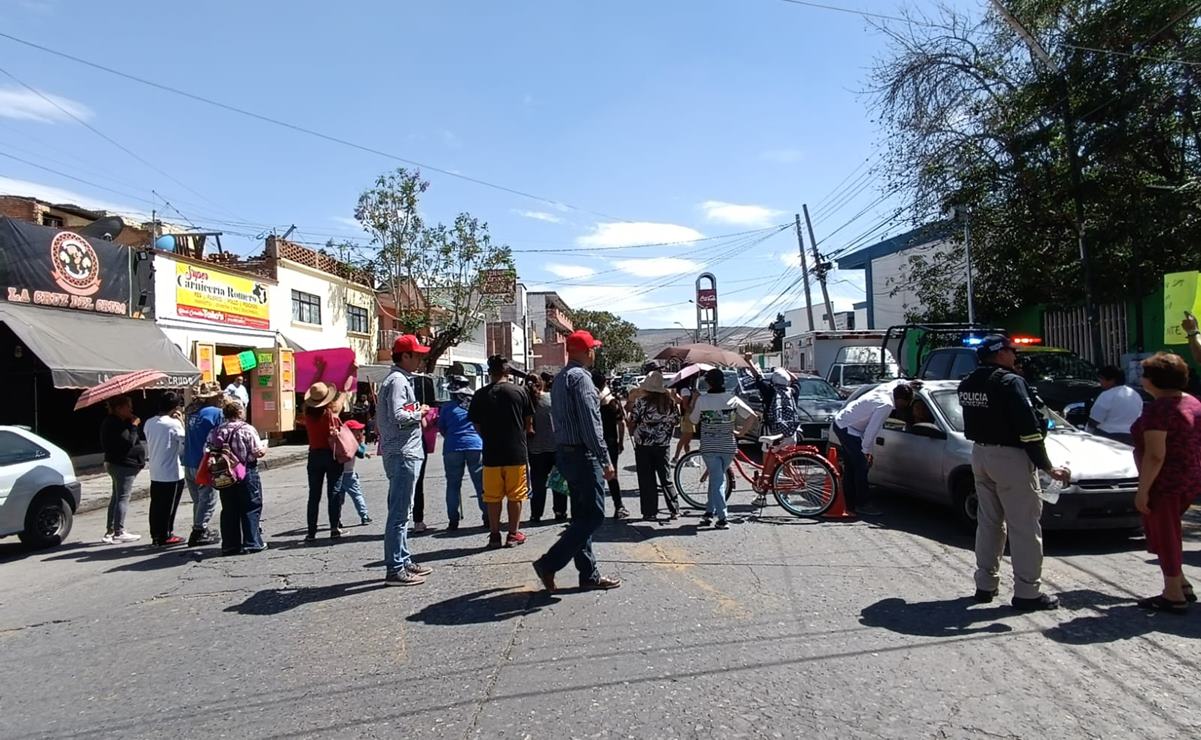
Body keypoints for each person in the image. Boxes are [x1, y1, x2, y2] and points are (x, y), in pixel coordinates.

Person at [958, 335, 1071, 612]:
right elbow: (1030, 430)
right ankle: (1027, 592)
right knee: (1024, 527)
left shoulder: (968, 381)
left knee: (989, 522)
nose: (1015, 355)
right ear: (999, 353)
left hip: (981, 455)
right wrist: (1046, 466)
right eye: (1011, 350)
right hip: (1011, 458)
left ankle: (985, 584)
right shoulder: (1010, 382)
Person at [532, 330, 622, 592]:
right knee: (593, 516)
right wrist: (605, 458)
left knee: (581, 517)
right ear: (584, 351)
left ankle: (589, 574)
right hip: (583, 454)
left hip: (566, 452)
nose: (594, 352)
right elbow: (590, 424)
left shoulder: (560, 379)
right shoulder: (581, 379)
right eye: (592, 348)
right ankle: (549, 563)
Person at [1130, 352, 1201, 613]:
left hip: (1165, 482)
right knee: (1169, 532)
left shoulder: (1160, 410)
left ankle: (1173, 594)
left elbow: (1156, 454)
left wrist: (1143, 491)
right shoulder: (1192, 402)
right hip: (1190, 476)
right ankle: (1181, 583)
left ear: (1152, 380)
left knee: (1165, 534)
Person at [378, 335, 433, 586]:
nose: (421, 359)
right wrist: (419, 411)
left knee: (403, 511)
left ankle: (403, 559)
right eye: (417, 355)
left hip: (401, 451)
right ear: (405, 356)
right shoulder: (398, 381)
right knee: (399, 515)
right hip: (403, 452)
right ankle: (394, 569)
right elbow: (399, 414)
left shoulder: (396, 379)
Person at [469, 356, 535, 549]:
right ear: (507, 371)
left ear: (490, 372)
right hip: (516, 452)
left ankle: (495, 535)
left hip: (491, 453)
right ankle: (513, 534)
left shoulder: (480, 394)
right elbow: (528, 423)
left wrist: (488, 437)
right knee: (516, 495)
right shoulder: (520, 392)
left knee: (492, 496)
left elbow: (476, 424)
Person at [683, 367, 759, 529]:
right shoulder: (732, 399)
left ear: (709, 383)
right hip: (728, 446)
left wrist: (694, 401)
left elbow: (694, 420)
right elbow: (752, 416)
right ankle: (709, 512)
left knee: (718, 480)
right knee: (716, 478)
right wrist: (741, 433)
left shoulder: (703, 400)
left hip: (709, 446)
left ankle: (723, 517)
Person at [831, 378, 917, 517]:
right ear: (900, 399)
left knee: (852, 466)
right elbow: (872, 430)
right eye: (906, 403)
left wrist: (909, 382)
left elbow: (896, 382)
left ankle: (849, 502)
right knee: (861, 466)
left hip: (845, 423)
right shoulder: (886, 405)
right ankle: (862, 504)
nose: (906, 406)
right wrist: (866, 452)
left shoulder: (889, 389)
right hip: (847, 428)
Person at [206, 400, 267, 555]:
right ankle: (252, 542)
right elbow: (256, 452)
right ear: (239, 413)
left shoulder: (217, 430)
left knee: (229, 508)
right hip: (245, 471)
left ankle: (230, 545)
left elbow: (208, 448)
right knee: (251, 506)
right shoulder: (247, 429)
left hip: (224, 473)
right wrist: (264, 448)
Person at [628, 371, 681, 521]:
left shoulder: (641, 402)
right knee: (665, 477)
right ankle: (674, 508)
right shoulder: (669, 402)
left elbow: (633, 419)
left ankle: (649, 511)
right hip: (663, 443)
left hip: (643, 444)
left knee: (646, 478)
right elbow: (676, 420)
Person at [438, 377, 486, 530]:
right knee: (481, 485)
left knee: (453, 485)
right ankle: (487, 517)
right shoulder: (476, 405)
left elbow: (442, 429)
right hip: (475, 444)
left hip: (453, 446)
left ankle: (453, 520)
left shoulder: (446, 407)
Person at [302, 382, 347, 542]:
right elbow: (343, 394)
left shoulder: (307, 413)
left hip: (314, 455)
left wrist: (319, 370)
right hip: (331, 454)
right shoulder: (331, 412)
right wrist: (349, 373)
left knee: (314, 495)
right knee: (333, 491)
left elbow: (313, 391)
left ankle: (311, 532)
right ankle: (334, 528)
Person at [183, 381, 224, 547]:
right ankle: (199, 530)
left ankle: (200, 526)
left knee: (198, 500)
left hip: (189, 461)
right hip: (204, 461)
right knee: (207, 498)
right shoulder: (216, 413)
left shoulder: (192, 413)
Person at [144, 392, 187, 547]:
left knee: (156, 505)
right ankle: (165, 534)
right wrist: (181, 422)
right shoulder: (172, 424)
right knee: (169, 506)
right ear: (175, 408)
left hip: (155, 470)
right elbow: (184, 441)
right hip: (172, 472)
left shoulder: (149, 423)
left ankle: (156, 534)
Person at [100, 395, 144, 544]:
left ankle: (111, 530)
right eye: (128, 406)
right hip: (122, 465)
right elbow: (128, 442)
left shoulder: (116, 422)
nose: (131, 409)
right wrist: (134, 426)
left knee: (117, 496)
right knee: (123, 497)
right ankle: (118, 531)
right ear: (119, 408)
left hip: (118, 463)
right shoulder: (114, 424)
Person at [593, 371, 629, 519]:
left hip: (594, 441)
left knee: (595, 476)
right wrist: (621, 442)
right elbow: (621, 423)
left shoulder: (591, 400)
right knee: (612, 475)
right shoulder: (613, 401)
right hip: (610, 442)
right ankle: (618, 506)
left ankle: (595, 509)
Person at [526, 376, 562, 523]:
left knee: (538, 484)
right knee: (558, 481)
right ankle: (560, 511)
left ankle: (536, 514)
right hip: (555, 446)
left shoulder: (526, 402)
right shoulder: (551, 399)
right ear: (542, 384)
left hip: (535, 449)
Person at [1087, 366, 1142, 444]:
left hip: (1108, 437)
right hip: (1131, 437)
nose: (1100, 382)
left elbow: (1094, 420)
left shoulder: (1106, 395)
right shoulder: (1135, 394)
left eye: (1102, 378)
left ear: (1112, 380)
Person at [411, 404, 439, 533]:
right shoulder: (415, 406)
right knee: (417, 484)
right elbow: (425, 426)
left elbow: (378, 430)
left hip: (393, 446)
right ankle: (418, 521)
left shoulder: (386, 403)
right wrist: (420, 413)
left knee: (396, 485)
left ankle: (395, 521)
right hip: (414, 445)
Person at [341, 420, 371, 525]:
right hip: (349, 474)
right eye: (358, 430)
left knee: (338, 499)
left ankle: (336, 519)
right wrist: (361, 441)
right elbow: (361, 453)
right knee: (357, 495)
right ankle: (364, 515)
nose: (361, 432)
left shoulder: (340, 441)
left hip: (338, 474)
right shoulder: (352, 442)